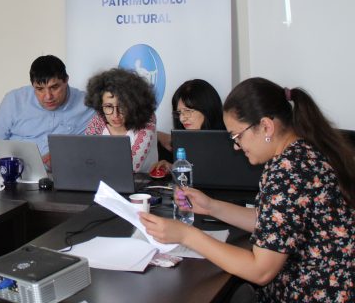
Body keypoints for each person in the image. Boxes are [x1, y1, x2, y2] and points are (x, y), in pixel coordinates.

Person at [140, 78, 355, 302]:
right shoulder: (297, 152)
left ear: (266, 127)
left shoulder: (289, 171)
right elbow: (271, 222)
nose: (236, 146)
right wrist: (211, 207)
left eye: (237, 136)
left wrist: (186, 235)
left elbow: (260, 271)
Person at [0, 55, 94, 166]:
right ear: (32, 85)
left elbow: (93, 150)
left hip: (63, 174)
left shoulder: (88, 105)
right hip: (17, 173)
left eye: (54, 87)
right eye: (39, 89)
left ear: (66, 80)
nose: (48, 96)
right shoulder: (14, 100)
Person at [84, 68, 157, 173]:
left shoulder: (148, 119)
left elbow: (131, 166)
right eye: (108, 106)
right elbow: (87, 158)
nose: (115, 115)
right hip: (103, 180)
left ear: (134, 104)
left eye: (122, 106)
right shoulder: (99, 119)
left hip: (144, 181)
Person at [154, 79, 225, 172]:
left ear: (207, 109)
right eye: (179, 112)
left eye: (188, 111)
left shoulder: (230, 143)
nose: (181, 119)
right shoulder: (178, 144)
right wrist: (173, 168)